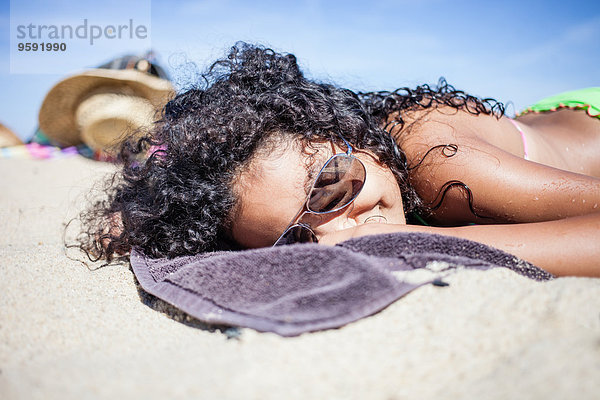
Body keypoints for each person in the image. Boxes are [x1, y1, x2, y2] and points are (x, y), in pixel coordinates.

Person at [78, 43, 600, 277]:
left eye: (330, 186)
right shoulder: (373, 177)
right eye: (297, 240)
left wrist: (419, 241)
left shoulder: (440, 163)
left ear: (352, 138)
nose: (338, 238)